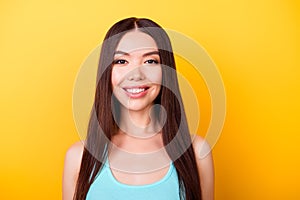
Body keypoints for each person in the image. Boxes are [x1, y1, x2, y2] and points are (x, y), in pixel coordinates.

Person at [63, 17, 214, 200]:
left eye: (150, 61)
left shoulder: (197, 152)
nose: (136, 75)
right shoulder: (78, 156)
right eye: (121, 61)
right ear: (107, 71)